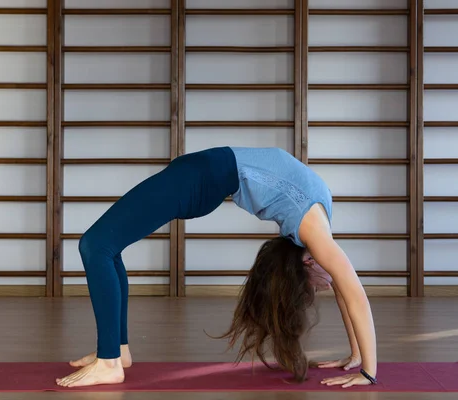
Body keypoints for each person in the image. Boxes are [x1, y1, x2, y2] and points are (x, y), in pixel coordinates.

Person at [55, 146, 378, 388]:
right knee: (106, 249)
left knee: (96, 246)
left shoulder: (316, 229)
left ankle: (109, 361)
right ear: (310, 264)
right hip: (202, 174)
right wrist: (365, 366)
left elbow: (348, 294)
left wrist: (360, 359)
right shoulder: (318, 235)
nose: (327, 283)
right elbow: (352, 295)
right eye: (320, 283)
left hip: (203, 175)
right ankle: (117, 352)